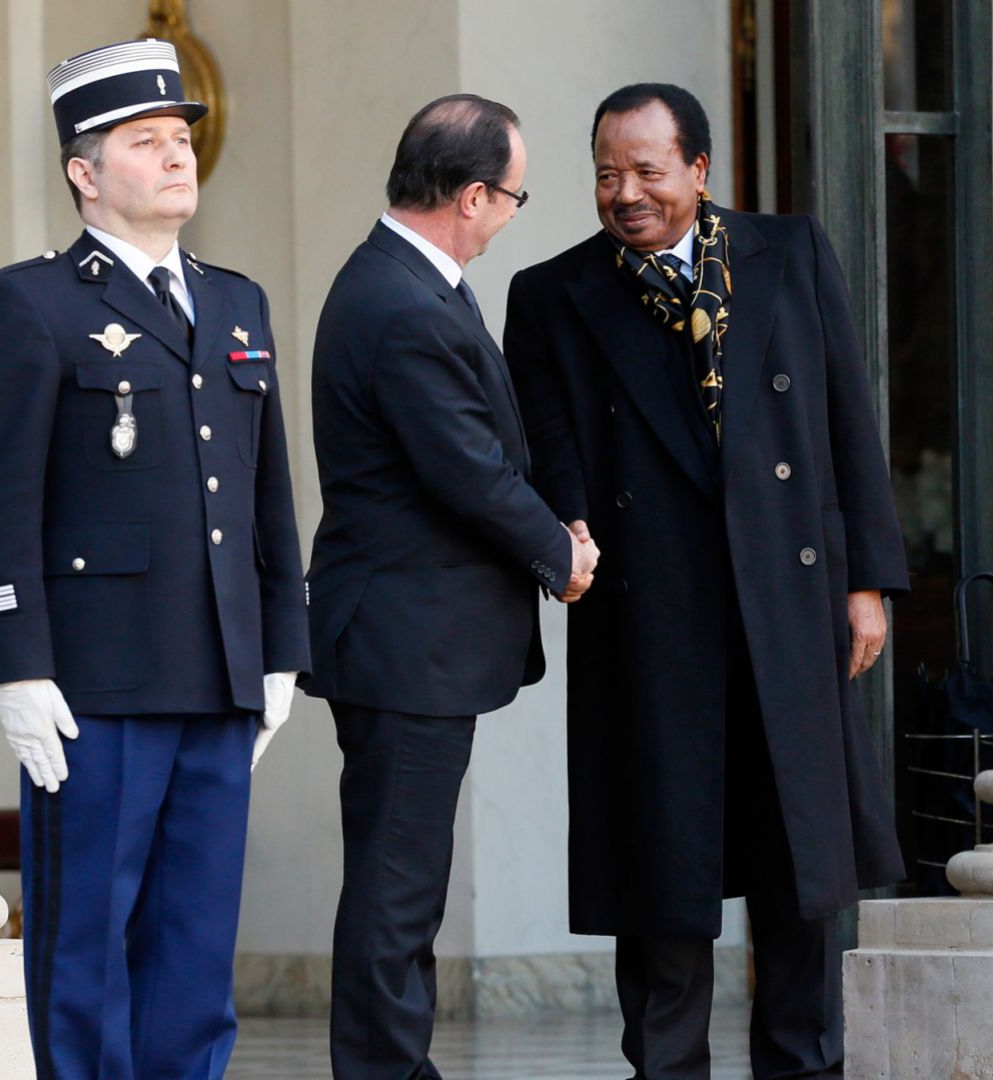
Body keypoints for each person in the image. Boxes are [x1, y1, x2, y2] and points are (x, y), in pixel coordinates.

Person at [504, 83, 908, 1080]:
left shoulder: (789, 253)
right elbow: (549, 461)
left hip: (786, 598)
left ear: (699, 169)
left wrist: (868, 579)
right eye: (607, 173)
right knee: (664, 872)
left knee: (799, 864)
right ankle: (668, 1067)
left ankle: (803, 1063)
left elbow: (847, 418)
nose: (625, 193)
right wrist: (566, 544)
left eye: (647, 171)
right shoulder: (555, 295)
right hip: (651, 616)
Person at [0, 39, 309, 1079]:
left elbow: (266, 492)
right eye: (145, 141)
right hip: (95, 684)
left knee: (194, 957)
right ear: (84, 170)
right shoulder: (29, 305)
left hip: (219, 676)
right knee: (85, 951)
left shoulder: (236, 304)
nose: (174, 155)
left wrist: (279, 646)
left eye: (180, 137)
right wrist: (14, 663)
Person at [306, 94, 599, 1078]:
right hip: (401, 640)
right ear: (473, 196)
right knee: (397, 891)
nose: (515, 211)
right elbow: (466, 469)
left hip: (411, 637)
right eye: (516, 195)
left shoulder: (410, 282)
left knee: (404, 887)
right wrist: (561, 554)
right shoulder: (399, 302)